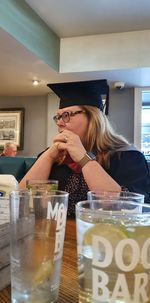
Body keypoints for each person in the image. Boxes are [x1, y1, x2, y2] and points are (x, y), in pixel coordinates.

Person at [19, 80, 150, 217]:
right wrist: (48, 156)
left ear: (93, 117)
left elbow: (130, 209)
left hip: (105, 236)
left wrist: (83, 158)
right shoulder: (55, 157)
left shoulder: (127, 157)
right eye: (57, 117)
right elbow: (21, 200)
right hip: (57, 234)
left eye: (66, 115)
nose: (59, 122)